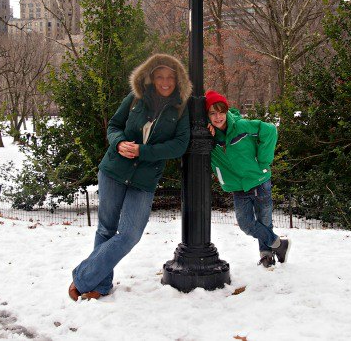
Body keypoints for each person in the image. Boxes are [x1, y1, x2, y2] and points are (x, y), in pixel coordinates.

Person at [69, 54, 192, 301]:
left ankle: (83, 277)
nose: (165, 82)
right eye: (160, 76)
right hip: (114, 170)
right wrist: (119, 143)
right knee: (105, 229)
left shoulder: (180, 107)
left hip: (144, 181)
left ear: (177, 79)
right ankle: (101, 286)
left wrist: (143, 151)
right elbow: (114, 126)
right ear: (151, 77)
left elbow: (180, 145)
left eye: (170, 77)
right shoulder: (136, 98)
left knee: (130, 234)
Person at [205, 90, 290, 268]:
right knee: (246, 224)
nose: (218, 116)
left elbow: (270, 130)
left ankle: (266, 255)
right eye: (212, 113)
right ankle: (279, 245)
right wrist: (207, 136)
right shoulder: (209, 136)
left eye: (221, 111)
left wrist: (263, 161)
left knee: (264, 221)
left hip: (260, 182)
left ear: (226, 111)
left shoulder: (242, 126)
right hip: (238, 187)